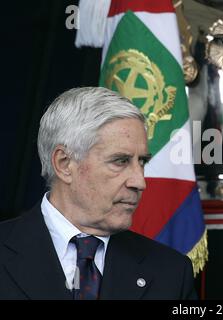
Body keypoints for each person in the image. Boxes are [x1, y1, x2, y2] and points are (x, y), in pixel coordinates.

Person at [0, 87, 196, 300]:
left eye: (142, 162)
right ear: (64, 164)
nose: (140, 182)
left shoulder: (171, 272)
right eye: (120, 161)